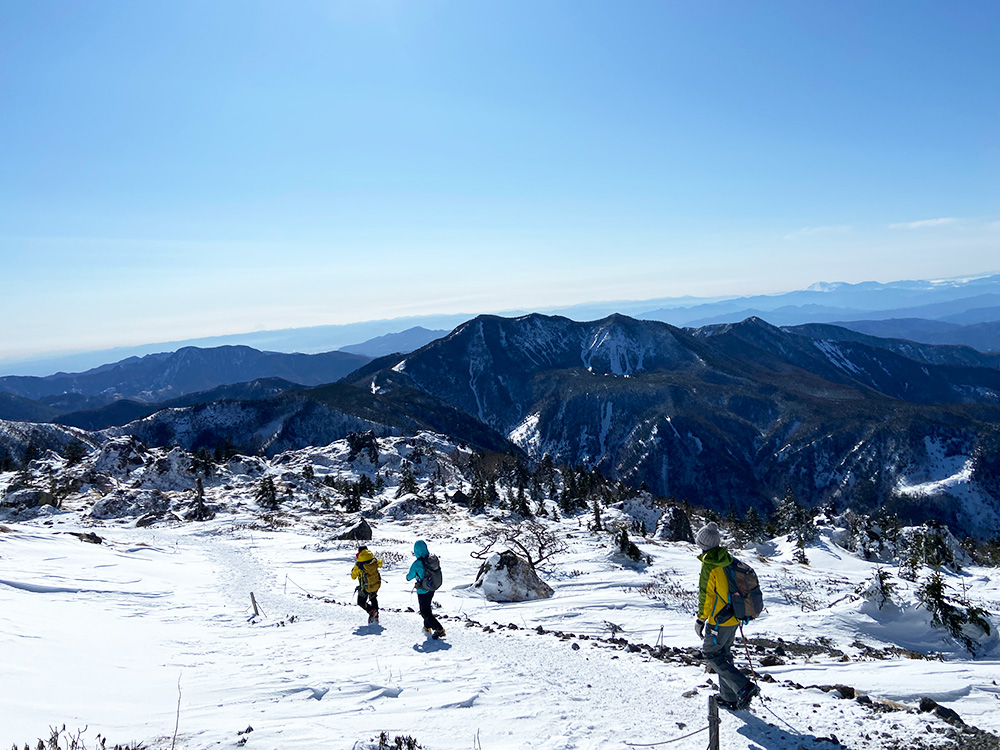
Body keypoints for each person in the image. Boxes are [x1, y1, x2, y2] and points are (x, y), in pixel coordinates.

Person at [694, 521, 760, 710]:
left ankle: (743, 686)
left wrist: (701, 619)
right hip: (734, 617)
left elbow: (706, 595)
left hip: (718, 620)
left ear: (704, 544)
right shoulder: (727, 559)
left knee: (710, 653)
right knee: (724, 654)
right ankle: (729, 698)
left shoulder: (710, 565)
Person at [406, 539, 445, 638]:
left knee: (424, 612)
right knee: (427, 609)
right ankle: (427, 627)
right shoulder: (431, 560)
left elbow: (409, 577)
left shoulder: (417, 563)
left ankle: (439, 629)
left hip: (422, 590)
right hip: (431, 588)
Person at [351, 546, 383, 624]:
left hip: (365, 586)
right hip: (375, 584)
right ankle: (376, 616)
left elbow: (353, 576)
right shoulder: (374, 561)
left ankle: (371, 611)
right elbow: (380, 563)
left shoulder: (359, 565)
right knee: (373, 598)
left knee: (361, 602)